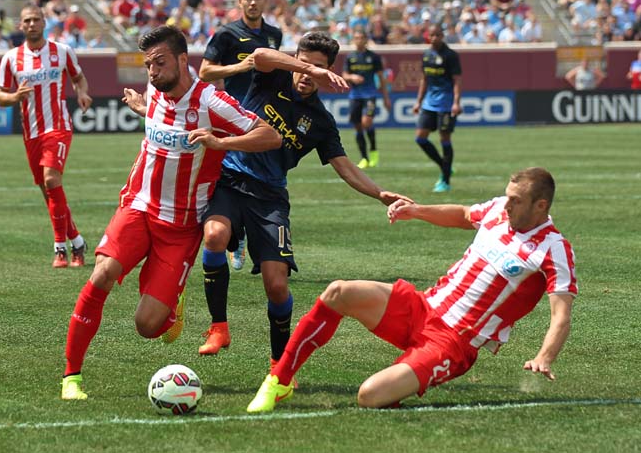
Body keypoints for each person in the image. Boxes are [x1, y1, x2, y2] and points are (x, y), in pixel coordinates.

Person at [60, 25, 280, 400]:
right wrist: (144, 108)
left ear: (182, 60)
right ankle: (72, 378)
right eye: (148, 65)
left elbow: (270, 135)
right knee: (102, 274)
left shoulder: (212, 102)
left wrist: (220, 141)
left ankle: (170, 304)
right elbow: (165, 121)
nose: (152, 71)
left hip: (180, 227)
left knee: (147, 326)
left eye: (159, 62)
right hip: (138, 206)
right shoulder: (155, 91)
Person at [247, 167, 578, 413]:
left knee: (370, 396)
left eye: (516, 201)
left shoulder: (554, 249)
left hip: (453, 342)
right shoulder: (497, 211)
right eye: (506, 196)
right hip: (422, 307)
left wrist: (544, 357)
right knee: (338, 292)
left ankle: (409, 371)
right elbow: (465, 215)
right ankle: (280, 380)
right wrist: (416, 210)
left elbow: (560, 316)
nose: (507, 205)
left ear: (541, 205)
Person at [196, 32, 410, 370]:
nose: (308, 73)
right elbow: (263, 54)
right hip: (231, 180)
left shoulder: (321, 122)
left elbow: (345, 167)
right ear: (295, 60)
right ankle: (219, 327)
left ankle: (279, 365)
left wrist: (380, 194)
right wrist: (309, 67)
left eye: (319, 68)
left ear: (330, 70)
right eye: (304, 64)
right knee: (214, 237)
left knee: (277, 286)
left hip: (270, 197)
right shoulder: (271, 77)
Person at [0, 3, 92, 268]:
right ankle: (78, 241)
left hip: (58, 127)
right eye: (26, 20)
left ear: (43, 22)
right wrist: (14, 96)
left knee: (51, 180)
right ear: (20, 25)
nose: (31, 24)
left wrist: (82, 92)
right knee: (48, 191)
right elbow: (0, 96)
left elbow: (78, 78)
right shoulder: (11, 58)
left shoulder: (62, 52)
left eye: (36, 19)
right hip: (32, 133)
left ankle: (60, 248)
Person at [199, 0, 283, 271]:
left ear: (265, 0)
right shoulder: (226, 34)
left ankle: (250, 237)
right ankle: (234, 237)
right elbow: (205, 71)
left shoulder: (275, 35)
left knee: (257, 180)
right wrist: (241, 65)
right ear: (239, 2)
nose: (252, 2)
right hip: (231, 119)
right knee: (227, 181)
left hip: (262, 120)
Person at [413, 24, 462, 193]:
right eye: (432, 35)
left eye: (438, 35)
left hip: (446, 104)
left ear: (442, 36)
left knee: (444, 139)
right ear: (428, 36)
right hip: (429, 103)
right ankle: (444, 165)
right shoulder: (426, 55)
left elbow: (457, 80)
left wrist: (456, 102)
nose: (434, 38)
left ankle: (445, 181)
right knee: (420, 138)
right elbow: (424, 80)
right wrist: (419, 101)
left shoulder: (451, 56)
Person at [342, 30, 391, 169]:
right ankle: (364, 157)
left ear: (366, 39)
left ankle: (374, 150)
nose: (359, 40)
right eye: (356, 38)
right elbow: (345, 74)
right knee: (357, 126)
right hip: (355, 95)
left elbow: (382, 78)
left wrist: (386, 98)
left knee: (366, 122)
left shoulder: (374, 57)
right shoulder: (350, 57)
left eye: (361, 38)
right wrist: (352, 77)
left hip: (370, 94)